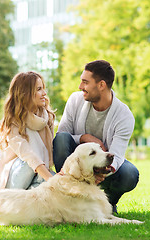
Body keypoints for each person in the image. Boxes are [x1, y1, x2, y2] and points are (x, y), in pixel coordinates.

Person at [53, 60, 139, 214]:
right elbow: (62, 136)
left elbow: (117, 156)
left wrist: (102, 171)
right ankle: (65, 198)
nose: (80, 87)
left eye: (85, 82)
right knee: (61, 139)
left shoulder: (124, 116)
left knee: (129, 174)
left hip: (104, 164)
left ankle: (106, 204)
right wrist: (84, 137)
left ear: (101, 85)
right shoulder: (75, 100)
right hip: (78, 164)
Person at [0, 71, 55, 193]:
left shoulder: (47, 118)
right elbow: (28, 154)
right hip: (14, 176)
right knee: (29, 164)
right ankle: (10, 196)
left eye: (43, 88)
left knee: (47, 185)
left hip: (39, 174)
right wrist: (51, 180)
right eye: (39, 89)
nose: (44, 93)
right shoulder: (13, 121)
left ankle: (31, 193)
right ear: (25, 94)